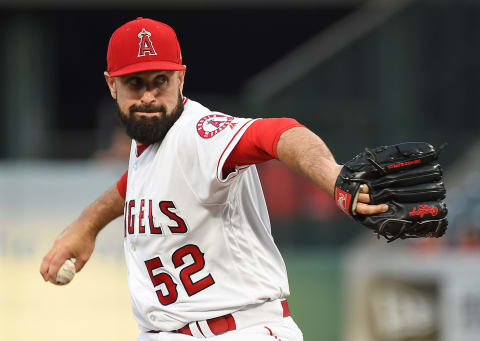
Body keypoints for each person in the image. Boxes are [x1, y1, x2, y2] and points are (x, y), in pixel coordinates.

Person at [40, 17, 387, 341]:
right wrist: (87, 225)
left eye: (160, 81)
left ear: (181, 79)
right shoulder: (150, 139)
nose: (148, 96)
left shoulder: (197, 134)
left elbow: (278, 133)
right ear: (112, 85)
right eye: (135, 83)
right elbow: (134, 184)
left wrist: (333, 175)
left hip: (236, 330)